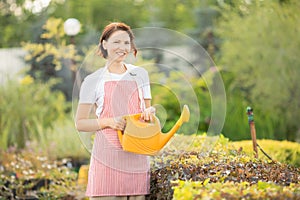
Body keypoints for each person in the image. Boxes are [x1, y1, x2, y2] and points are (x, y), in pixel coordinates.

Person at [75, 22, 155, 200]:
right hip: (107, 157)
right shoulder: (93, 80)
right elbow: (80, 123)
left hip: (136, 154)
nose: (122, 47)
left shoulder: (140, 74)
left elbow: (146, 111)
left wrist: (150, 112)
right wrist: (109, 121)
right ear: (104, 44)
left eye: (126, 43)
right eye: (116, 42)